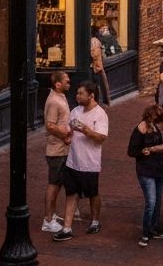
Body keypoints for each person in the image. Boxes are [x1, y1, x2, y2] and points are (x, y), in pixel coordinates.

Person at [53, 81, 109, 241]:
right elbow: (69, 133)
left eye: (81, 94)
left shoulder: (100, 114)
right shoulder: (75, 111)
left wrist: (85, 129)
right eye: (77, 93)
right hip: (72, 161)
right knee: (71, 194)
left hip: (89, 163)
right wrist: (67, 138)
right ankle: (67, 228)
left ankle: (95, 221)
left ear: (91, 95)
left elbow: (101, 138)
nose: (77, 96)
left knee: (93, 194)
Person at [127, 103, 163, 247]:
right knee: (151, 202)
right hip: (146, 170)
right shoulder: (140, 129)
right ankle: (145, 233)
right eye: (155, 118)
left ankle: (154, 228)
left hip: (159, 169)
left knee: (157, 201)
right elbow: (131, 151)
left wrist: (162, 148)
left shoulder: (157, 128)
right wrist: (143, 152)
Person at [42, 70, 72, 234]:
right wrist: (65, 136)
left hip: (62, 149)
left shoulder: (61, 97)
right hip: (56, 150)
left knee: (58, 184)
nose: (69, 82)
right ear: (58, 84)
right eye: (66, 80)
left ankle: (52, 215)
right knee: (53, 185)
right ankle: (48, 220)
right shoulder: (54, 101)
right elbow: (50, 125)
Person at [89, 28, 112, 107]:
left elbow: (94, 55)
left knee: (96, 85)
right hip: (95, 67)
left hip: (95, 67)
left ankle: (98, 102)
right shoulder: (95, 41)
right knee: (96, 84)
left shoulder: (94, 41)